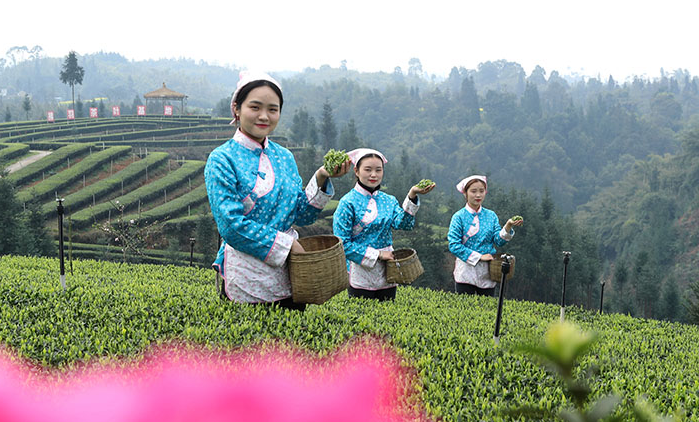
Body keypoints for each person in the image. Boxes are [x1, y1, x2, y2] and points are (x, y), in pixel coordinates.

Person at [205, 71, 350, 309]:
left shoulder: (284, 156)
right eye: (255, 107)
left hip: (291, 275)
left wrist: (322, 176)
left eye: (273, 109)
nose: (264, 116)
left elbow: (300, 214)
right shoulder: (222, 159)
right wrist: (286, 244)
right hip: (247, 278)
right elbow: (230, 226)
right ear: (237, 109)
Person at [332, 148, 434, 301]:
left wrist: (412, 194)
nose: (373, 175)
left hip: (388, 272)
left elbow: (404, 224)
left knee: (386, 317)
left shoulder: (389, 200)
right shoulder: (347, 203)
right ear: (356, 171)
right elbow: (342, 244)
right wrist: (378, 254)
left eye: (378, 170)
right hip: (360, 272)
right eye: (368, 169)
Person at [447, 175, 523, 296]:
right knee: (465, 310)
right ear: (465, 193)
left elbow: (498, 241)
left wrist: (508, 226)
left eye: (481, 191)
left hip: (488, 273)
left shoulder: (491, 215)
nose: (478, 195)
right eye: (473, 191)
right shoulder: (458, 217)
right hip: (466, 272)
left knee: (487, 310)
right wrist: (479, 257)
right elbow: (454, 245)